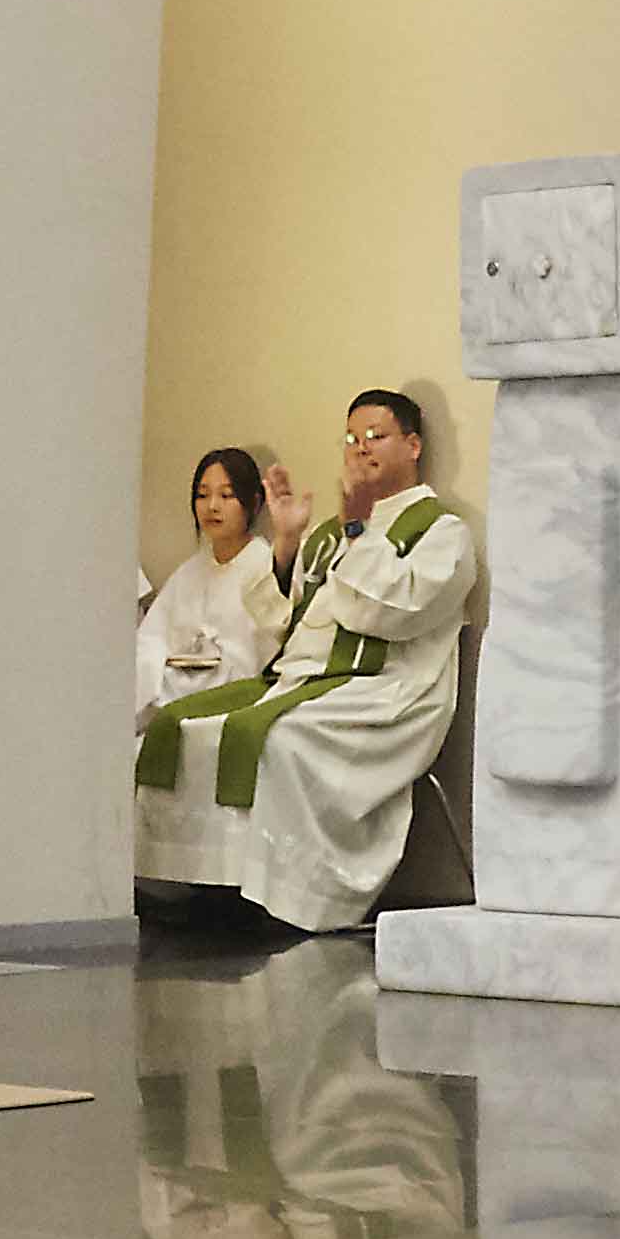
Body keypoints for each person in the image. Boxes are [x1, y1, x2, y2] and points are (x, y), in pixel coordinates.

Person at [131, 391, 478, 932]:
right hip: (302, 681)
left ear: (413, 446)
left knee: (279, 743)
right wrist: (288, 545)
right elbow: (285, 627)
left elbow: (391, 614)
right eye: (351, 438)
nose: (361, 448)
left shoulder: (441, 531)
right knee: (178, 728)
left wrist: (360, 532)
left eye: (376, 436)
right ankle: (197, 888)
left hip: (383, 690)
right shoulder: (331, 532)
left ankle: (286, 899)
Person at [137, 445, 291, 715]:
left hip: (231, 689)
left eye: (226, 495)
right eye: (203, 495)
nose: (212, 506)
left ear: (254, 503)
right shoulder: (191, 570)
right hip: (175, 682)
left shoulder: (264, 565)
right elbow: (152, 637)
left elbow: (264, 647)